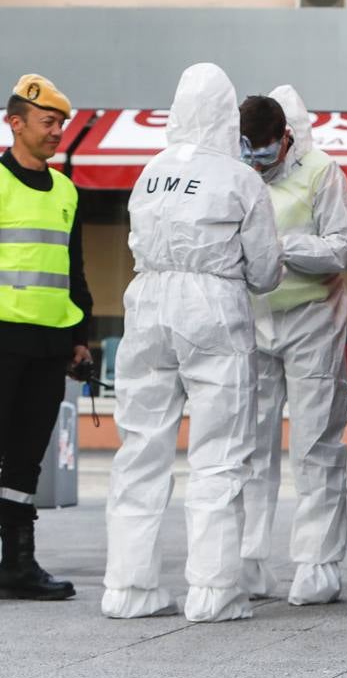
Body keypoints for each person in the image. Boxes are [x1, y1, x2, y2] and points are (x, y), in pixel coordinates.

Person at [103, 63, 282, 622]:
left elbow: (136, 240)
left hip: (148, 302)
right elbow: (268, 270)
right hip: (212, 307)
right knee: (220, 456)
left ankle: (127, 590)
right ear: (228, 118)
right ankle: (213, 591)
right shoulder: (239, 178)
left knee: (139, 450)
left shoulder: (148, 173)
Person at [238, 87, 347, 606]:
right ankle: (247, 561)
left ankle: (317, 564)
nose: (257, 161)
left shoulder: (322, 172)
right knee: (251, 447)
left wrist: (282, 248)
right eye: (249, 150)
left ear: (286, 138)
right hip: (254, 319)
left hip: (312, 320)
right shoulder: (239, 173)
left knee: (315, 447)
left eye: (265, 151)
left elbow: (343, 248)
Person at [0, 75, 90, 600]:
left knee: (26, 459)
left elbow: (73, 270)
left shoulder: (66, 190)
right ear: (15, 123)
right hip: (2, 338)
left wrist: (81, 335)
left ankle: (16, 563)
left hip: (50, 343)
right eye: (48, 122)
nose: (57, 131)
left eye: (61, 123)